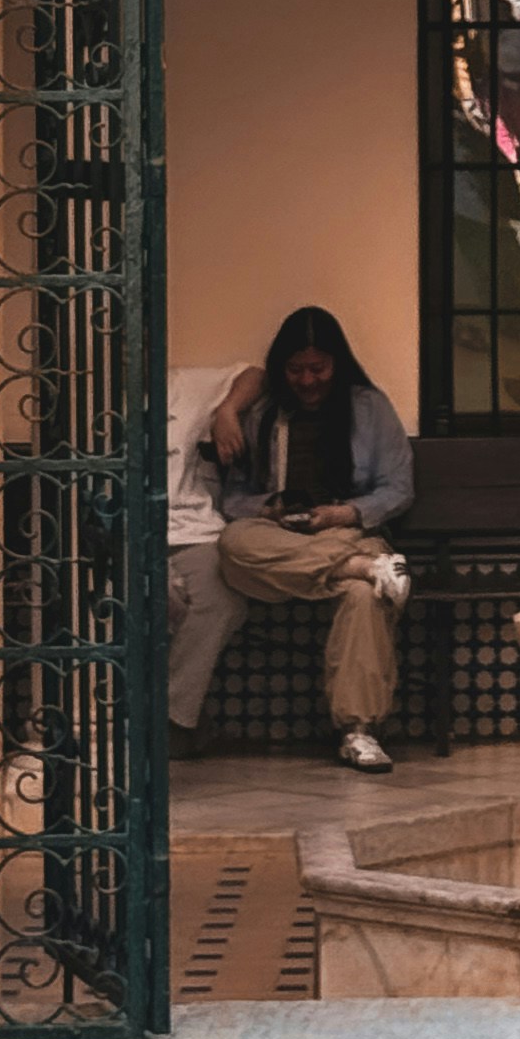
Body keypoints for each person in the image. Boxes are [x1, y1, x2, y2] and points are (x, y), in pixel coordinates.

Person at [163, 306, 415, 769]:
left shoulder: (369, 407)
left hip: (349, 531)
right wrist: (268, 509)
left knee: (363, 596)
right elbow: (232, 501)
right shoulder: (263, 414)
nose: (308, 380)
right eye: (296, 370)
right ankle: (360, 567)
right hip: (277, 543)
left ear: (337, 364)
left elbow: (398, 488)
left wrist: (345, 512)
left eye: (318, 369)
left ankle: (358, 731)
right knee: (234, 544)